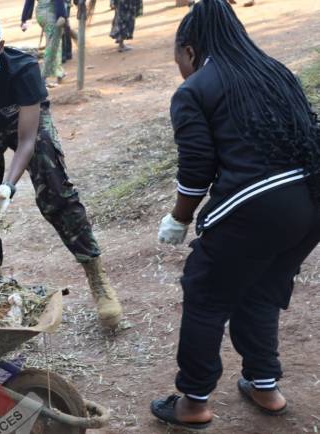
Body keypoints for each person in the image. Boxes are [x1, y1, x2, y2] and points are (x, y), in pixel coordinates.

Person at [150, 0, 320, 429]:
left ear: (190, 50)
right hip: (310, 203)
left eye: (178, 59)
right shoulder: (275, 71)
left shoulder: (195, 90)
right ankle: (265, 386)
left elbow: (196, 169)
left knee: (205, 294)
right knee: (260, 289)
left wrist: (179, 219)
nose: (181, 69)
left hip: (258, 207)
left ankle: (194, 403)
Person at [0, 9, 123, 329]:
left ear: (0, 45)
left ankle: (96, 275)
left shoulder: (22, 68)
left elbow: (26, 140)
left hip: (21, 122)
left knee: (55, 189)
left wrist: (9, 184)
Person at [21, 0, 68, 88]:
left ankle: (59, 72)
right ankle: (43, 76)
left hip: (40, 14)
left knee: (54, 44)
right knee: (53, 45)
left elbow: (29, 2)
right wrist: (62, 15)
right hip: (51, 13)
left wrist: (24, 19)